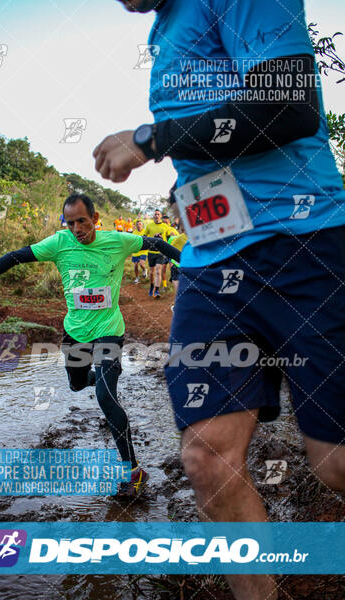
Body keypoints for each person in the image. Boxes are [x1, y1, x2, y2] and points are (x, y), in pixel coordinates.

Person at [94, 0, 345, 596]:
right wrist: (188, 191)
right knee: (206, 458)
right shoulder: (165, 27)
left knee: (334, 462)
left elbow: (289, 107)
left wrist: (152, 138)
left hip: (302, 244)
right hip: (211, 262)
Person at [0, 192, 180, 498]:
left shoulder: (118, 241)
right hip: (75, 333)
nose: (77, 228)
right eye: (71, 222)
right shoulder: (59, 243)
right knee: (77, 385)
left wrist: (188, 266)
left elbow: (157, 244)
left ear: (95, 220)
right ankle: (103, 374)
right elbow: (15, 256)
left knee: (105, 394)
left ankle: (133, 470)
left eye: (83, 221)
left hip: (108, 330)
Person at [143, 209, 171, 298]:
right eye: (155, 214)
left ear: (161, 216)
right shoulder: (149, 226)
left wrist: (162, 239)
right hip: (151, 251)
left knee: (158, 271)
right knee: (151, 272)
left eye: (158, 214)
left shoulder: (165, 226)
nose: (156, 216)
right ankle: (151, 287)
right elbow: (144, 236)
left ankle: (157, 291)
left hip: (160, 252)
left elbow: (169, 238)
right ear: (153, 216)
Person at [161, 214, 178, 290]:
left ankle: (173, 278)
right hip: (164, 251)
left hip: (171, 251)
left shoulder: (172, 229)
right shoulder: (161, 229)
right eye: (163, 222)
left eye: (166, 222)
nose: (165, 224)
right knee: (163, 268)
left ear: (169, 222)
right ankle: (164, 285)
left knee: (172, 266)